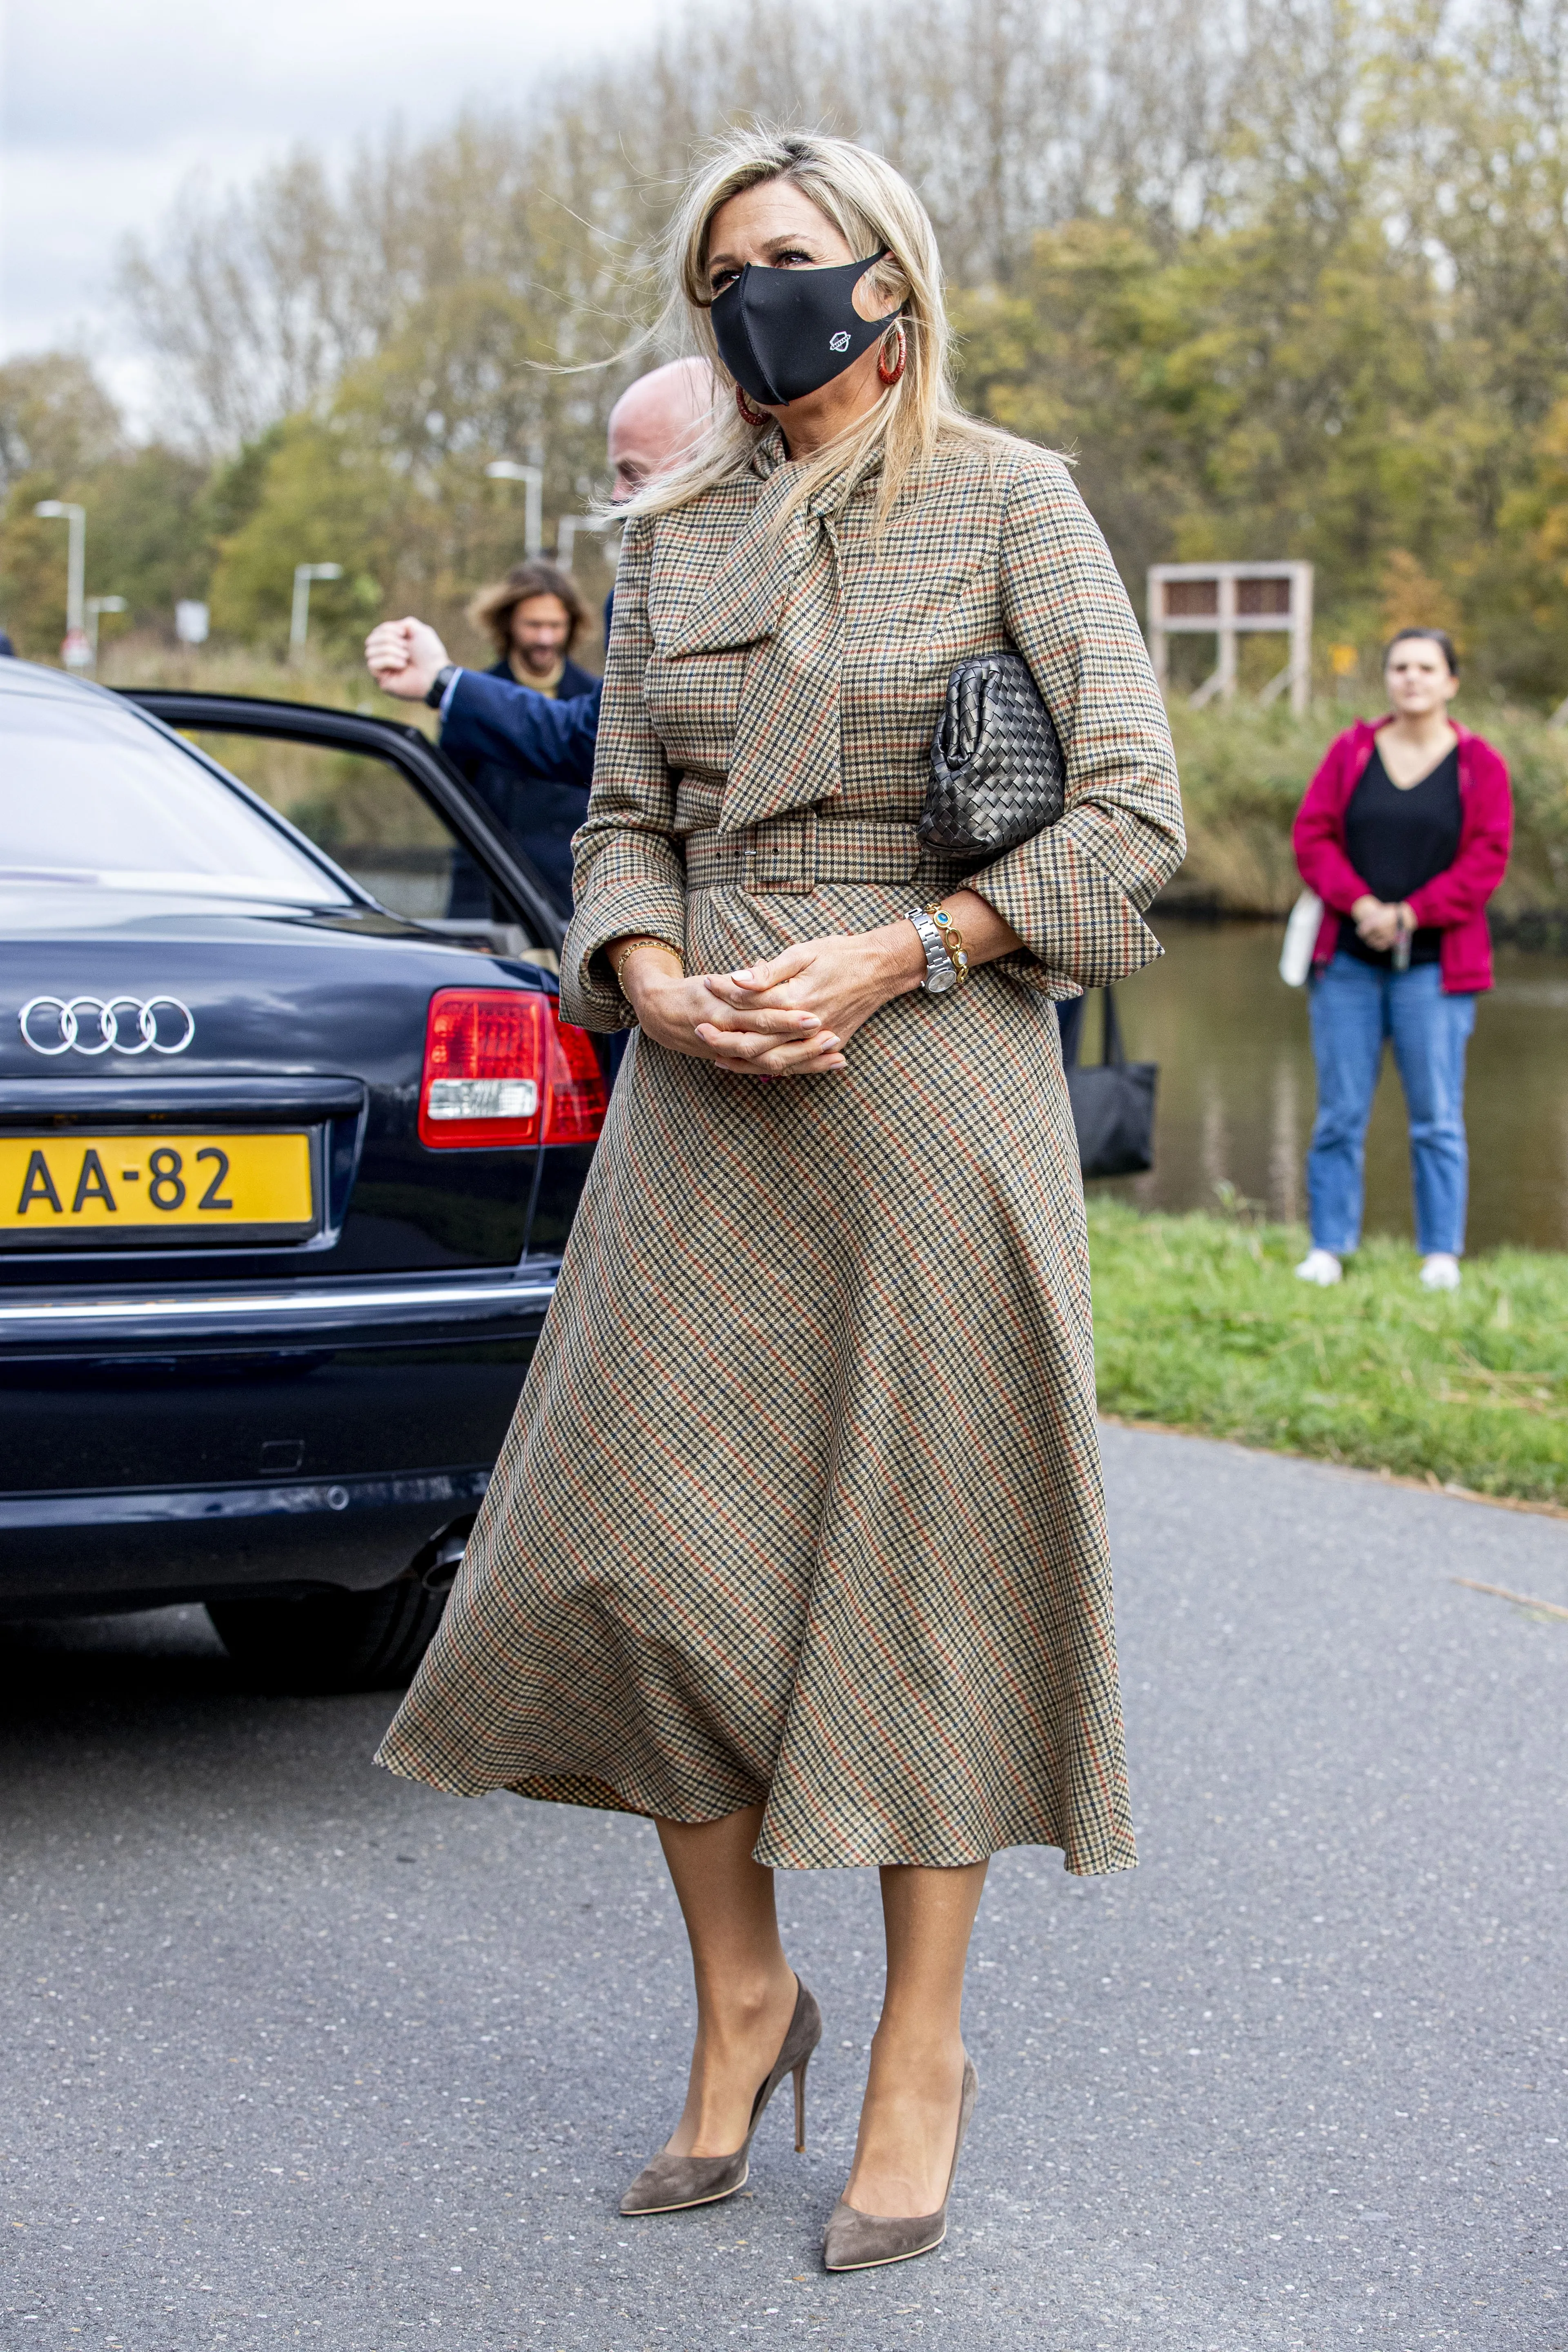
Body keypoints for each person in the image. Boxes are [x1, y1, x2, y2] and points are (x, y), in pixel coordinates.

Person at [376, 130, 1183, 2274]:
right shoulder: (669, 532)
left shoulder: (1011, 497)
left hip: (930, 1069)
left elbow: (1131, 818)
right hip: (704, 1081)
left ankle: (920, 2049)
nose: (759, 302)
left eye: (793, 260)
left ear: (889, 280)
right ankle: (745, 1994)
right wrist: (644, 975)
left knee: (927, 1564)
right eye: (724, 273)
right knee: (639, 1557)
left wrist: (906, 950)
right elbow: (622, 813)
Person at [363, 361, 717, 896]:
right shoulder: (640, 598)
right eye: (533, 624)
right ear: (508, 625)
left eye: (635, 473)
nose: (618, 496)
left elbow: (594, 747)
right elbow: (472, 824)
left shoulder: (658, 601)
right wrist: (441, 682)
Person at [1291, 627, 1512, 1292]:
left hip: (1437, 969)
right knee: (1339, 1115)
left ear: (1451, 682)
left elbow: (1487, 859)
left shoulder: (1480, 765)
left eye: (1426, 667)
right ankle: (1328, 1248)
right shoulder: (1352, 752)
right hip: (1347, 966)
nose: (1412, 678)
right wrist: (1361, 904)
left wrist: (1411, 913)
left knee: (1437, 1118)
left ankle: (1440, 1254)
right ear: (1387, 679)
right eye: (1400, 667)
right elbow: (1313, 835)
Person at [443, 560, 599, 905]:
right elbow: (454, 802)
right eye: (533, 625)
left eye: (555, 625)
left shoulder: (596, 701)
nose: (545, 638)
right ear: (508, 624)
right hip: (492, 894)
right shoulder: (470, 699)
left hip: (570, 895)